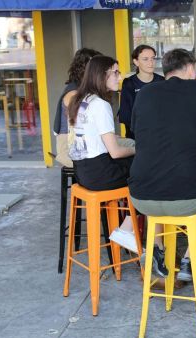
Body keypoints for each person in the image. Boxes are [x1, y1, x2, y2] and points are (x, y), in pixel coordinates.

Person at [128, 48, 196, 282]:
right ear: (191, 68)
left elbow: (141, 137)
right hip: (188, 194)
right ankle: (189, 258)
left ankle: (156, 249)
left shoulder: (145, 93)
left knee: (160, 190)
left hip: (141, 196)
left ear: (166, 70)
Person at [67, 55, 138, 250]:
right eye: (115, 72)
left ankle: (129, 228)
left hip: (82, 173)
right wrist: (137, 149)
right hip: (101, 174)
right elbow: (115, 153)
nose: (119, 77)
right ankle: (127, 228)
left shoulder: (79, 101)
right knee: (148, 170)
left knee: (139, 166)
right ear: (101, 75)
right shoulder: (101, 105)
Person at [53, 48, 102, 168]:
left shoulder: (82, 89)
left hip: (81, 144)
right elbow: (81, 131)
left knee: (130, 145)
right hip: (71, 150)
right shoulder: (74, 93)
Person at [117, 45, 164, 139]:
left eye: (153, 58)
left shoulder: (163, 82)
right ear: (136, 62)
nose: (151, 62)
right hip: (136, 138)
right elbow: (125, 116)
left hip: (160, 137)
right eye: (145, 59)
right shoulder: (129, 84)